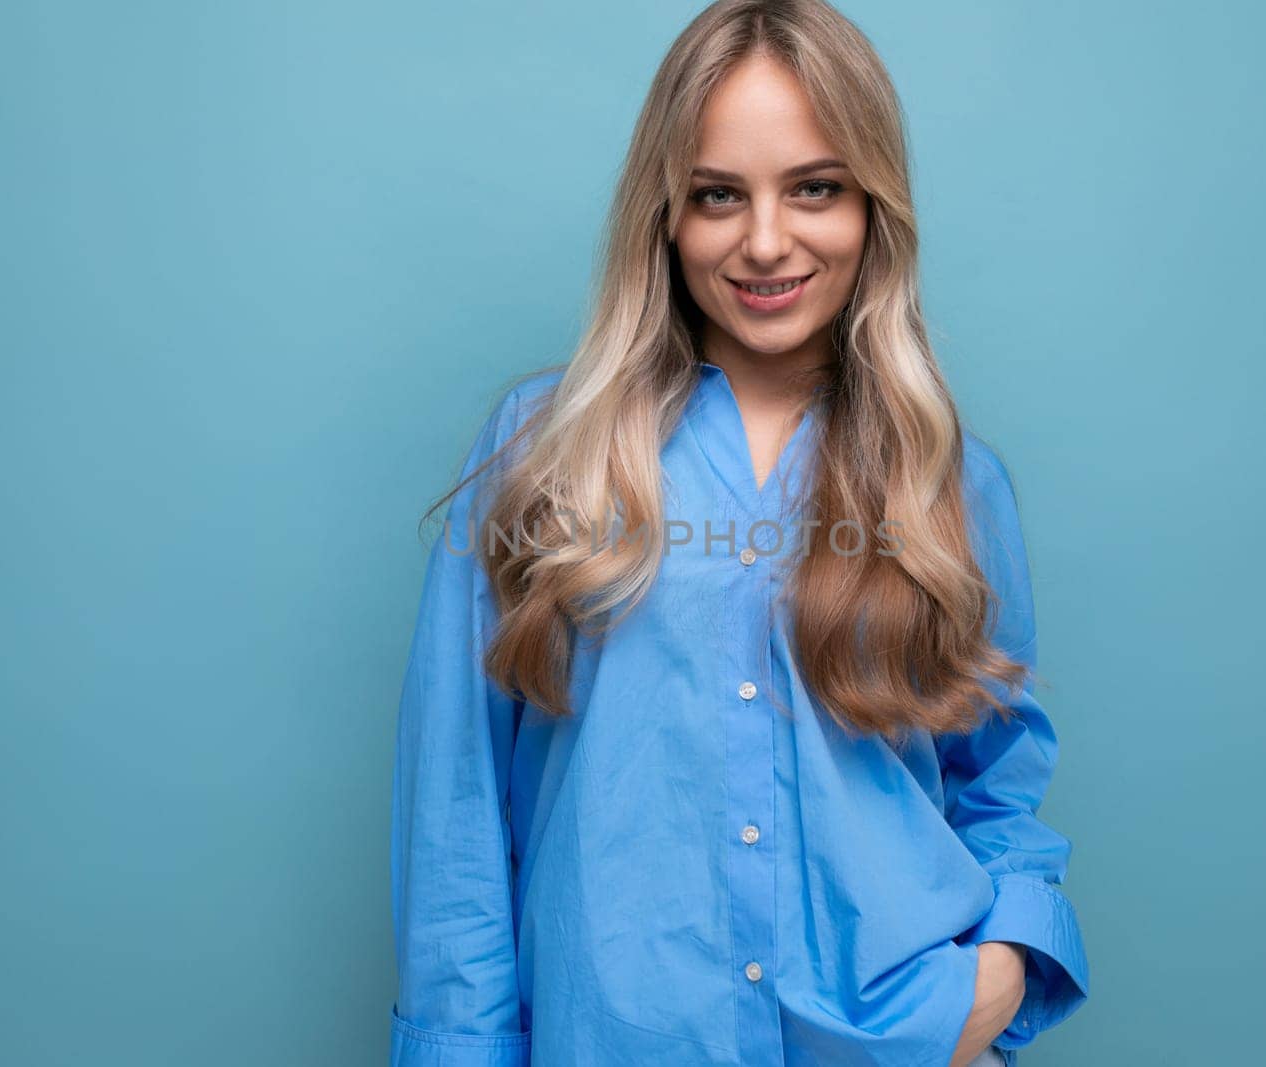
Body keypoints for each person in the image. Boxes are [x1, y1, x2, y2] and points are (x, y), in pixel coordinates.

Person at [389, 2, 1089, 1064]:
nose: (766, 241)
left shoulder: (951, 481)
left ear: (871, 206)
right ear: (665, 215)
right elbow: (457, 816)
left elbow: (998, 777)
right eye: (719, 195)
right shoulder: (540, 451)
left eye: (814, 187)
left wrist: (1001, 969)